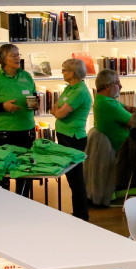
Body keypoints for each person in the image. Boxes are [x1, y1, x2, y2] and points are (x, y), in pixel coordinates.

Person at [0, 43, 37, 196]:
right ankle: (4, 206)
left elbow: (34, 97)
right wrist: (3, 106)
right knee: (4, 172)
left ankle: (23, 203)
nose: (18, 57)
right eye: (13, 55)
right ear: (3, 59)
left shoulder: (26, 76)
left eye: (18, 54)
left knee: (25, 171)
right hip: (4, 133)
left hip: (27, 131)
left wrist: (34, 103)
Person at [50, 58, 92, 220]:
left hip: (74, 138)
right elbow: (55, 107)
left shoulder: (80, 91)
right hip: (65, 135)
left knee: (76, 179)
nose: (62, 73)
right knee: (72, 178)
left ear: (72, 73)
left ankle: (81, 215)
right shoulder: (69, 88)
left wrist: (58, 111)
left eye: (64, 70)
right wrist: (57, 110)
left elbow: (59, 112)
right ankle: (78, 213)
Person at [93, 69, 133, 153]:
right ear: (107, 86)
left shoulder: (104, 99)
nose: (121, 86)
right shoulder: (107, 104)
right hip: (125, 151)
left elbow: (129, 108)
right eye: (117, 83)